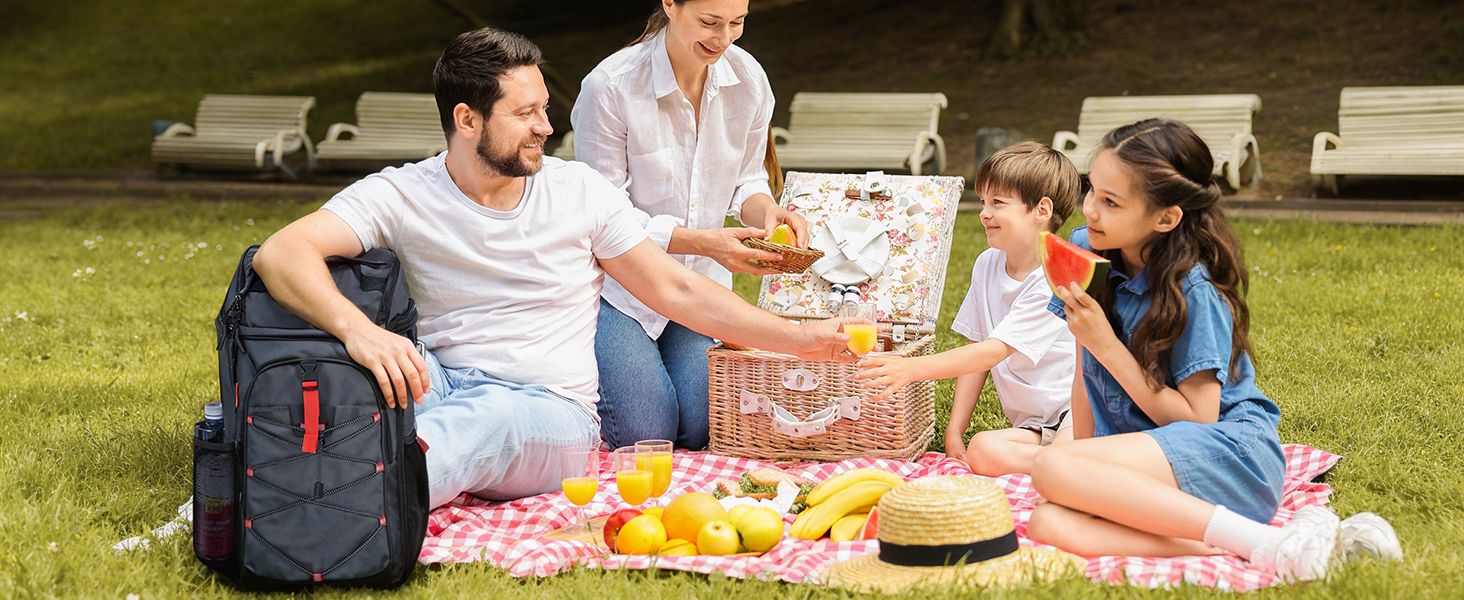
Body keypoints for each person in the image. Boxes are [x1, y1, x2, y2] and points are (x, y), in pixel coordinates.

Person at [251, 27, 855, 510]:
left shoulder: (578, 192)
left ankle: (329, 508)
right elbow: (283, 252)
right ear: (468, 119)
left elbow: (676, 288)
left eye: (545, 108)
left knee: (483, 422)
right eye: (526, 113)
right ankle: (317, 475)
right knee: (368, 388)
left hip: (547, 411)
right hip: (442, 380)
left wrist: (801, 340)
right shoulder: (403, 193)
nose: (546, 126)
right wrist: (359, 329)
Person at [1025, 119, 1400, 581]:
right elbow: (1086, 372)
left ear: (1166, 217)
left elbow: (1198, 420)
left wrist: (1106, 344)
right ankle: (1259, 544)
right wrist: (1087, 472)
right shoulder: (1088, 248)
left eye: (1111, 202)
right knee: (1048, 519)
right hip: (1152, 466)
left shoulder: (1194, 290)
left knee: (1051, 465)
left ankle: (1261, 536)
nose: (1090, 211)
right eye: (1091, 191)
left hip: (1227, 457)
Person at [570, 0, 807, 451]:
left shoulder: (748, 79)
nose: (723, 39)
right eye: (709, 23)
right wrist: (706, 243)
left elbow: (747, 180)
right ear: (670, 5)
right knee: (646, 434)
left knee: (704, 426)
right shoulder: (611, 86)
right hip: (620, 289)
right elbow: (603, 213)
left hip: (698, 288)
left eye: (737, 23)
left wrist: (767, 212)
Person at [855, 141, 1081, 477]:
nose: (984, 212)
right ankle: (1075, 465)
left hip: (1079, 410)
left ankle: (1083, 463)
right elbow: (976, 346)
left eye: (998, 203)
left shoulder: (1054, 276)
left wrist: (910, 369)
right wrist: (954, 432)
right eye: (984, 201)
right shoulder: (987, 264)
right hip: (1036, 426)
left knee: (1064, 460)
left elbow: (992, 353)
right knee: (983, 451)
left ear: (1041, 211)